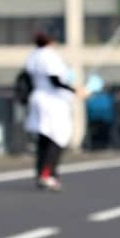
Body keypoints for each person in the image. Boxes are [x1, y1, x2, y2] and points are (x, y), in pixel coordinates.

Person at [23, 32, 80, 191]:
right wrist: (75, 90)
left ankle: (41, 173)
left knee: (43, 139)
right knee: (56, 138)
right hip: (52, 101)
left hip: (38, 98)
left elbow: (27, 79)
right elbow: (55, 80)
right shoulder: (49, 56)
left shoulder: (33, 56)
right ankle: (49, 174)